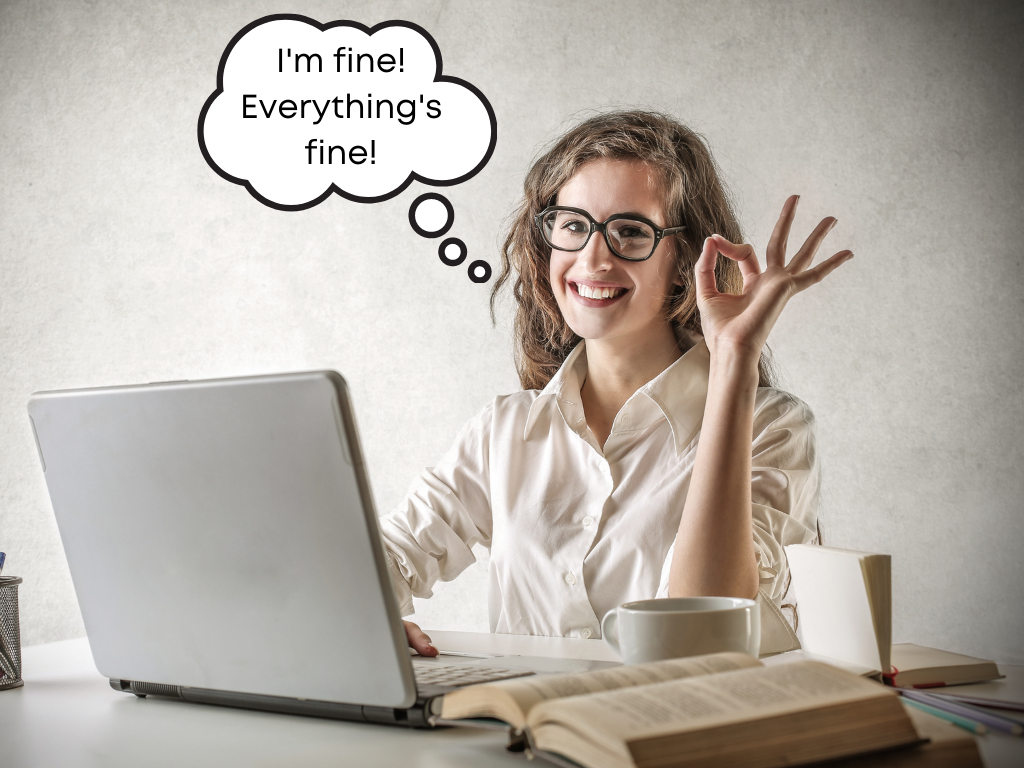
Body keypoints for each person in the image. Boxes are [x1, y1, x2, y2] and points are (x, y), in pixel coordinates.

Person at [380, 110, 852, 658]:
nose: (593, 258)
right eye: (573, 225)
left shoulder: (774, 429)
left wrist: (735, 356)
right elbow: (387, 558)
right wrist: (371, 616)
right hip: (528, 735)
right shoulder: (505, 430)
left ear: (686, 260)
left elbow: (706, 630)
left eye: (631, 231)